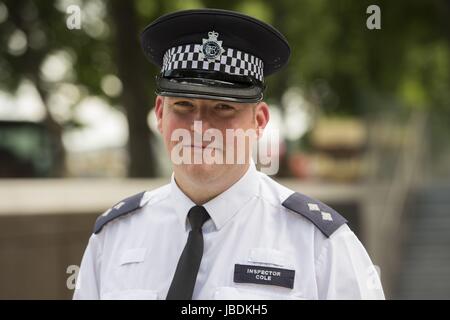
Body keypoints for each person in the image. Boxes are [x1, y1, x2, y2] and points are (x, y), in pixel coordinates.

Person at [73, 8, 385, 300]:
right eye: (183, 105)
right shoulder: (113, 238)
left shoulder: (319, 245)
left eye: (224, 107)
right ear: (159, 114)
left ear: (259, 121)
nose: (200, 127)